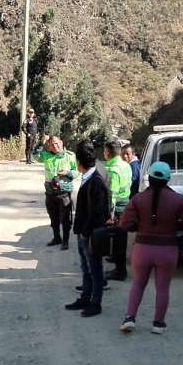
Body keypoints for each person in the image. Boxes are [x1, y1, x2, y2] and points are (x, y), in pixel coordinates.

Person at [118, 161, 183, 334]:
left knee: (138, 284)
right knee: (163, 288)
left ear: (149, 177)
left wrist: (138, 226)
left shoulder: (138, 199)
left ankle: (130, 318)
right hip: (168, 249)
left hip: (142, 248)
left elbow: (124, 224)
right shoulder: (178, 199)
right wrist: (176, 226)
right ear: (168, 179)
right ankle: (158, 323)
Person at [64, 140, 110, 317]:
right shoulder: (91, 177)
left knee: (95, 271)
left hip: (90, 234)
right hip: (84, 233)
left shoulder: (95, 180)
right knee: (86, 269)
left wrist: (85, 232)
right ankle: (85, 298)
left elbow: (98, 212)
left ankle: (95, 303)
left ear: (78, 163)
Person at [35, 135, 78, 250]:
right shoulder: (46, 155)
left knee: (65, 219)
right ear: (49, 145)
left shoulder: (70, 156)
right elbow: (34, 155)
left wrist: (67, 173)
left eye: (57, 143)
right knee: (53, 217)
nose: (55, 146)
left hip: (64, 192)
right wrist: (40, 143)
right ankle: (56, 238)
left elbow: (76, 172)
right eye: (52, 144)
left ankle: (65, 241)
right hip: (50, 192)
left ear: (61, 142)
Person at [103, 140, 131, 281]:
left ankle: (120, 272)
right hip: (126, 205)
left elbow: (112, 194)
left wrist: (110, 214)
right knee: (121, 240)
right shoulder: (126, 165)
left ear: (107, 153)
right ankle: (118, 269)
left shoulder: (113, 169)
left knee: (119, 242)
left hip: (118, 209)